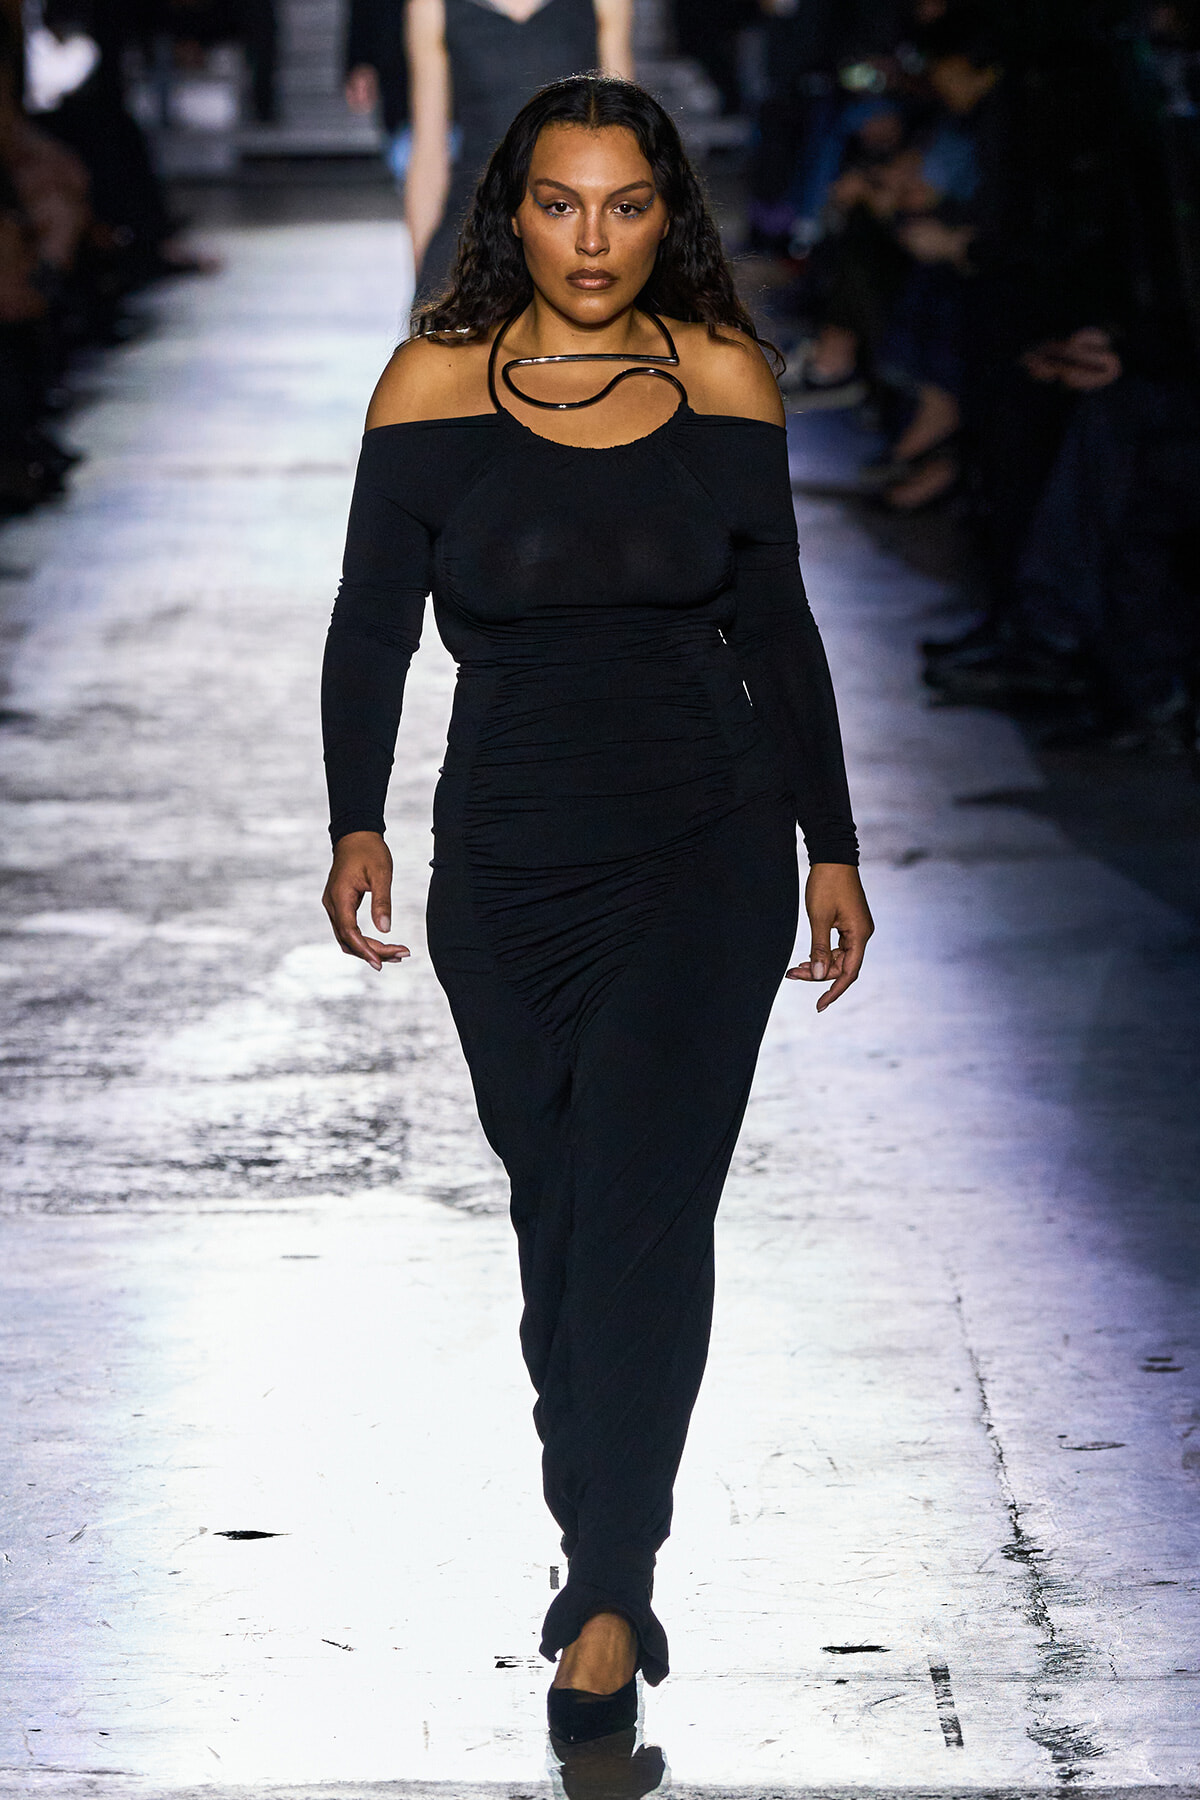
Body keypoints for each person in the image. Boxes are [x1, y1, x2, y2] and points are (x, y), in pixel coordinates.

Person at [320, 74, 872, 1748]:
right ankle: (601, 1530)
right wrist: (354, 821)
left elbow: (778, 625)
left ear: (665, 215)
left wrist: (833, 846)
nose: (591, 239)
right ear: (514, 212)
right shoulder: (430, 383)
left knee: (641, 1212)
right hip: (506, 868)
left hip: (707, 848)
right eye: (560, 204)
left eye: (626, 206)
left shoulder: (723, 377)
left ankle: (609, 1593)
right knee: (561, 1221)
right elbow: (370, 624)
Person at [404, 0, 633, 297]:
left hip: (574, 224)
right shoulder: (433, 8)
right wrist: (425, 276)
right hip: (474, 224)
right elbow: (429, 149)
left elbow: (627, 138)